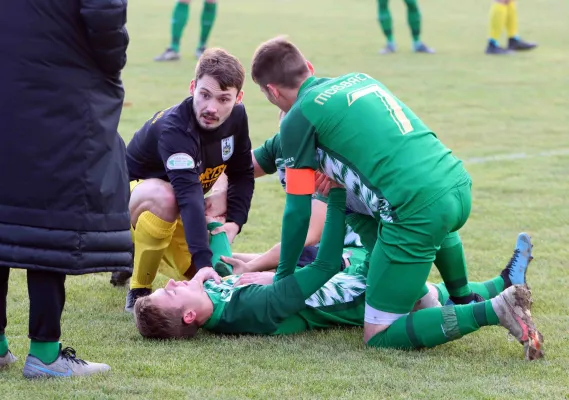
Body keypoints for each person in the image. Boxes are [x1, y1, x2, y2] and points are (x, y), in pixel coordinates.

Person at [248, 37, 544, 360]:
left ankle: (495, 309)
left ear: (273, 93)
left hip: (416, 212)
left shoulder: (297, 119)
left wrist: (282, 279)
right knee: (390, 239)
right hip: (456, 184)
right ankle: (461, 298)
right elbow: (261, 159)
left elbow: (297, 211)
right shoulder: (358, 79)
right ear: (309, 69)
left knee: (378, 335)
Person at [134, 187, 540, 361]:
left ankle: (504, 285)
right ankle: (495, 306)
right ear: (190, 317)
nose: (169, 283)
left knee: (426, 288)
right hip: (351, 285)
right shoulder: (246, 308)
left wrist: (213, 226)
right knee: (414, 292)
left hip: (348, 274)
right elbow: (320, 267)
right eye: (169, 294)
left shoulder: (217, 296)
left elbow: (221, 253)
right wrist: (336, 202)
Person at [0, 0, 132, 378]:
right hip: (59, 86)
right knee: (48, 217)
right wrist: (111, 61)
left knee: (6, 211)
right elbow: (105, 17)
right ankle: (45, 354)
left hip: (9, 74)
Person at [123, 48, 254, 312]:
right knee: (168, 198)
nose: (211, 108)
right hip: (131, 201)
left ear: (238, 99)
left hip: (181, 202)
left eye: (223, 99)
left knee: (214, 281)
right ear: (192, 87)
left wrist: (234, 223)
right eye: (204, 95)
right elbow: (188, 196)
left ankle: (129, 256)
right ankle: (138, 288)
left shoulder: (238, 117)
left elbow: (241, 172)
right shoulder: (175, 130)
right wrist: (204, 263)